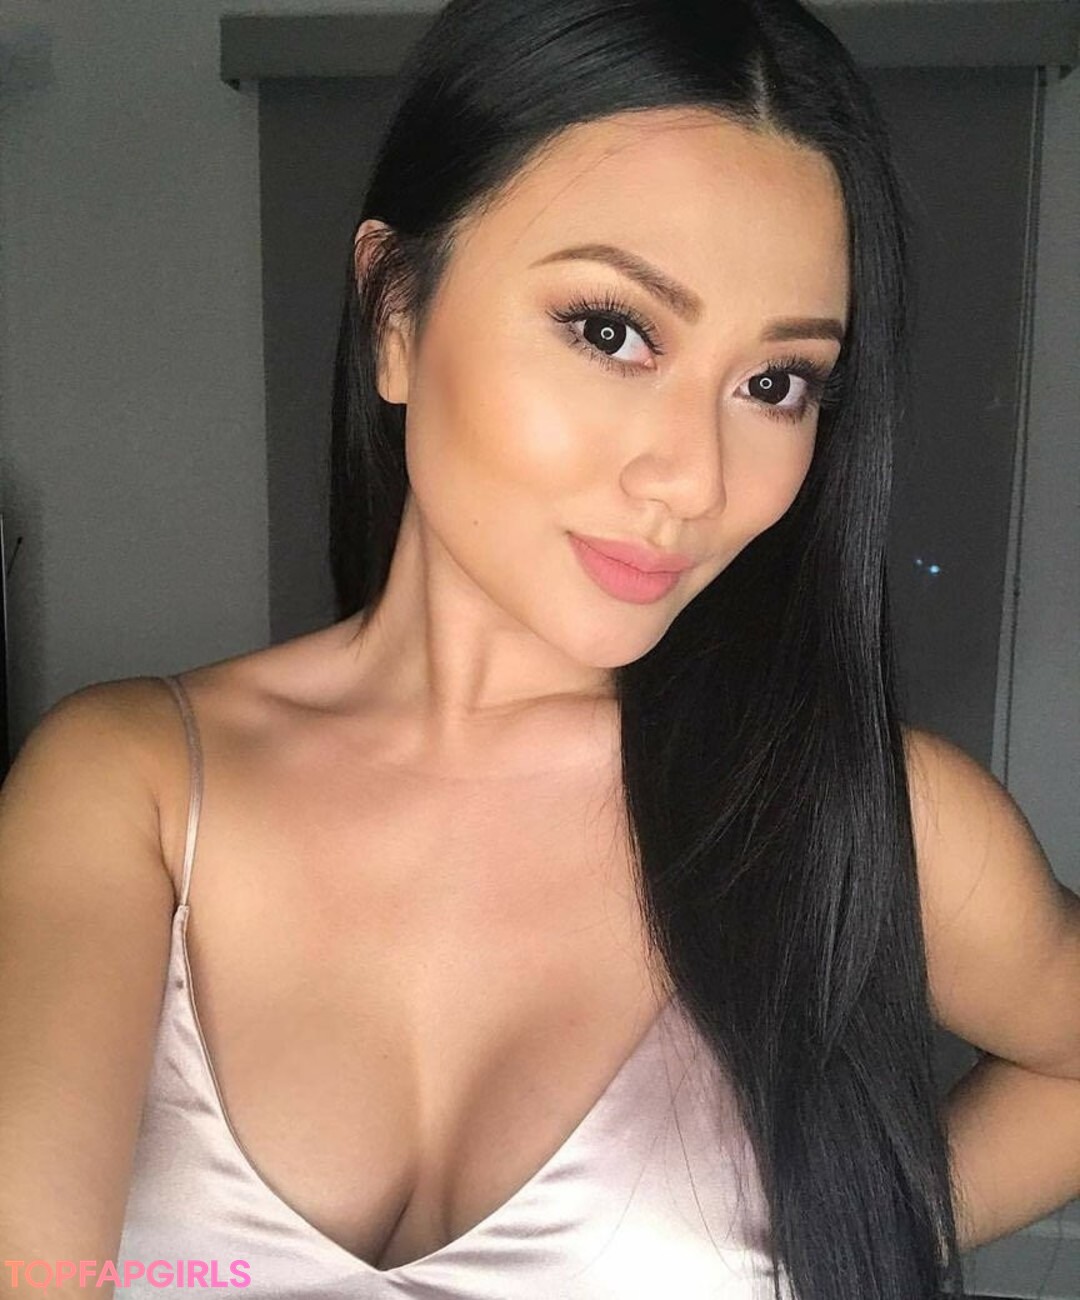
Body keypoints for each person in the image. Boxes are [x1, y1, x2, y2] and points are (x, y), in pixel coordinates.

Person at [2, 0, 1078, 1296]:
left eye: (775, 383)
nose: (693, 478)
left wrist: (837, 1241)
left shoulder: (858, 812)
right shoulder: (129, 788)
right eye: (613, 331)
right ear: (396, 311)